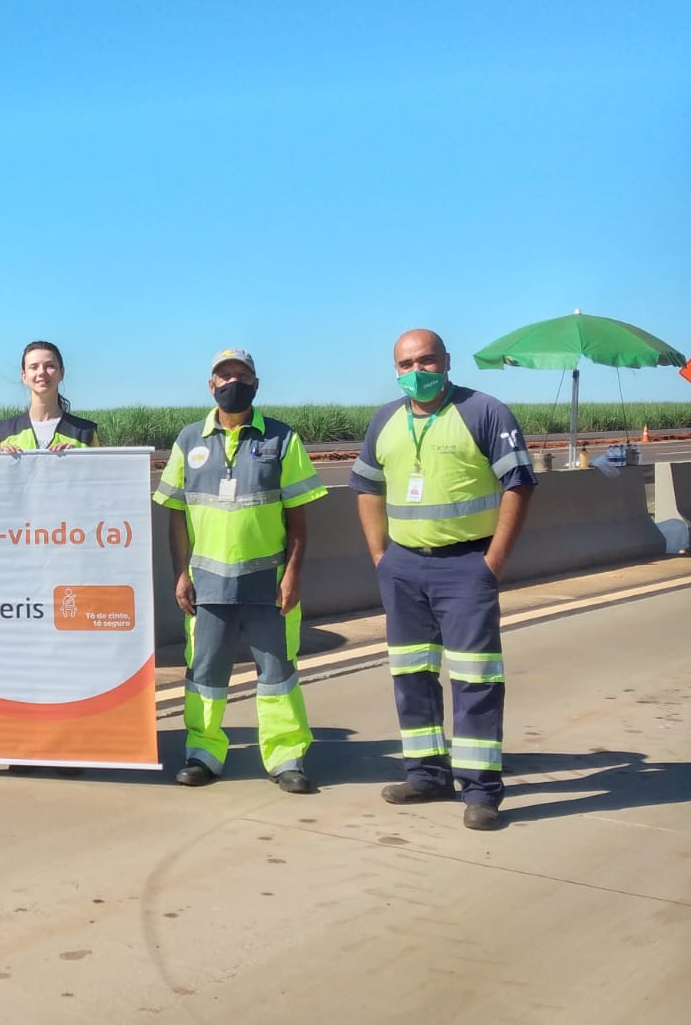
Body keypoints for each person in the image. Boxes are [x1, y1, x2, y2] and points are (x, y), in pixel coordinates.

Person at [350, 328, 536, 831]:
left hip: (465, 565)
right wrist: (380, 556)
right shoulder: (386, 419)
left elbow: (519, 484)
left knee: (475, 679)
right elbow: (366, 486)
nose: (417, 372)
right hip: (404, 567)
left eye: (427, 361)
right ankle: (427, 776)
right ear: (395, 369)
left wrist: (491, 562)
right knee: (412, 675)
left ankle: (480, 791)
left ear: (446, 362)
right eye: (406, 364)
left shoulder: (484, 411)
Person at [155, 348, 326, 793]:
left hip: (268, 584)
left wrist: (292, 575)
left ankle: (286, 757)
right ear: (210, 385)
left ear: (255, 383)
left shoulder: (282, 439)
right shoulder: (189, 439)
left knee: (278, 676)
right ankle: (203, 754)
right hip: (207, 585)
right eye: (224, 375)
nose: (233, 382)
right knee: (205, 675)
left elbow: (299, 518)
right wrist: (181, 574)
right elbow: (175, 513)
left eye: (242, 375)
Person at [0, 340, 100, 450]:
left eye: (50, 366)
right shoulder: (5, 432)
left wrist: (75, 459)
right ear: (24, 376)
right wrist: (1, 459)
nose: (41, 372)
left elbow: (98, 466)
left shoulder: (85, 432)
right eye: (34, 367)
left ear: (62, 373)